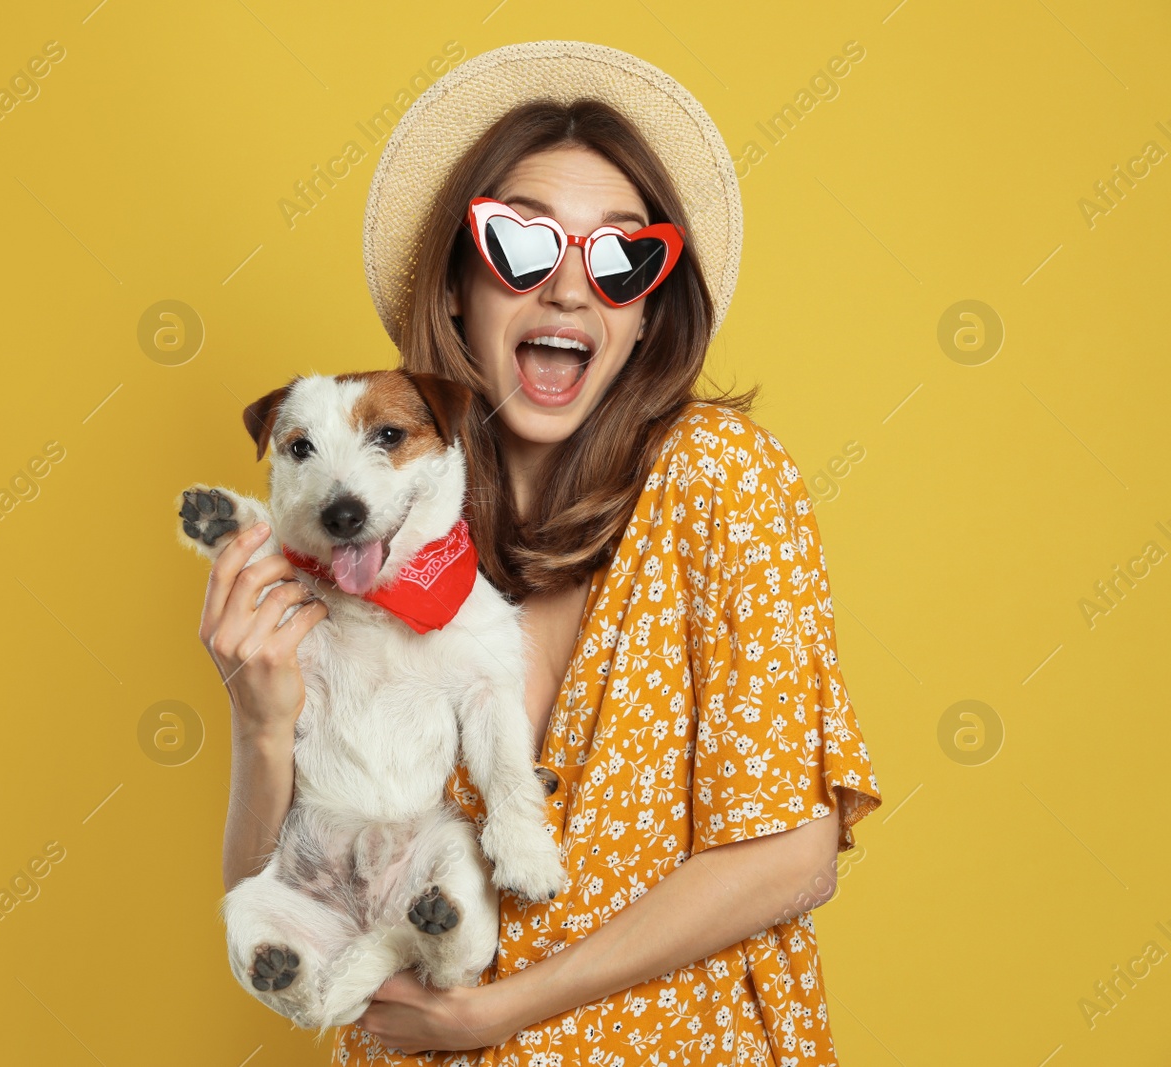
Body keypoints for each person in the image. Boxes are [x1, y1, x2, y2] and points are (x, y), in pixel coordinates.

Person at [203, 41, 882, 1066]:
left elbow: (794, 852)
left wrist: (502, 1007)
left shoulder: (718, 478)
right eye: (522, 246)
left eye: (619, 259)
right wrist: (258, 725)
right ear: (458, 286)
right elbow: (286, 915)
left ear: (647, 309)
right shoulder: (355, 538)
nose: (570, 288)